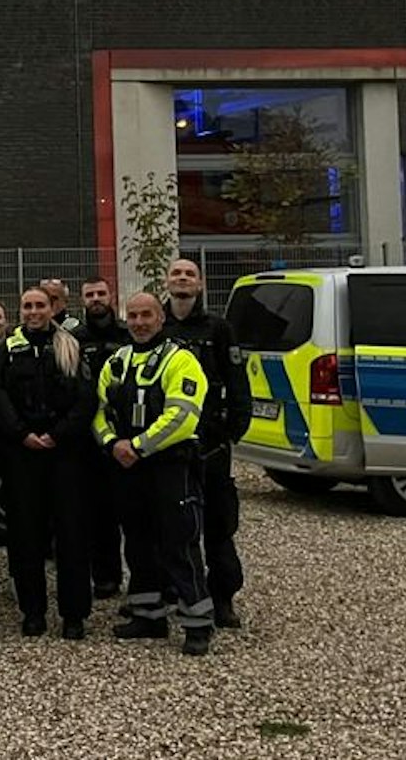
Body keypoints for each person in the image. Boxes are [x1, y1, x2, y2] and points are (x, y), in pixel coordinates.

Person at [98, 292, 214, 656]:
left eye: (146, 315)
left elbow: (183, 416)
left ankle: (198, 624)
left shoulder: (180, 360)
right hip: (128, 468)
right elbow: (99, 410)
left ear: (160, 318)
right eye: (132, 316)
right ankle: (148, 615)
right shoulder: (117, 361)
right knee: (137, 542)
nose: (139, 322)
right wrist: (112, 443)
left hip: (169, 466)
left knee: (179, 543)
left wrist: (137, 446)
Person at [0, 286, 96, 640]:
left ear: (52, 308)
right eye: (27, 306)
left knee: (71, 535)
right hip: (23, 453)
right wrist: (21, 433)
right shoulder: (8, 348)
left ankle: (74, 614)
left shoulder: (71, 345)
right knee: (26, 536)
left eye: (39, 305)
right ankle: (33, 611)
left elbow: (85, 399)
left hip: (64, 453)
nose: (33, 311)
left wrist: (57, 435)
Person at [161, 257, 251, 629]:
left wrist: (233, 430)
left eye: (189, 274)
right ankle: (177, 589)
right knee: (171, 524)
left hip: (211, 443)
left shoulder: (219, 329)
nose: (182, 279)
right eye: (176, 273)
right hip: (168, 444)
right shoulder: (157, 325)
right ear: (166, 282)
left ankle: (222, 596)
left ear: (199, 284)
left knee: (218, 524)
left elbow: (237, 381)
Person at [75, 277, 133, 600]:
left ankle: (143, 581)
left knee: (133, 512)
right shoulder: (74, 340)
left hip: (126, 436)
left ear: (111, 296)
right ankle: (106, 577)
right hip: (88, 438)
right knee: (98, 514)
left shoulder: (127, 335)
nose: (96, 299)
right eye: (90, 295)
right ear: (82, 300)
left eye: (100, 293)